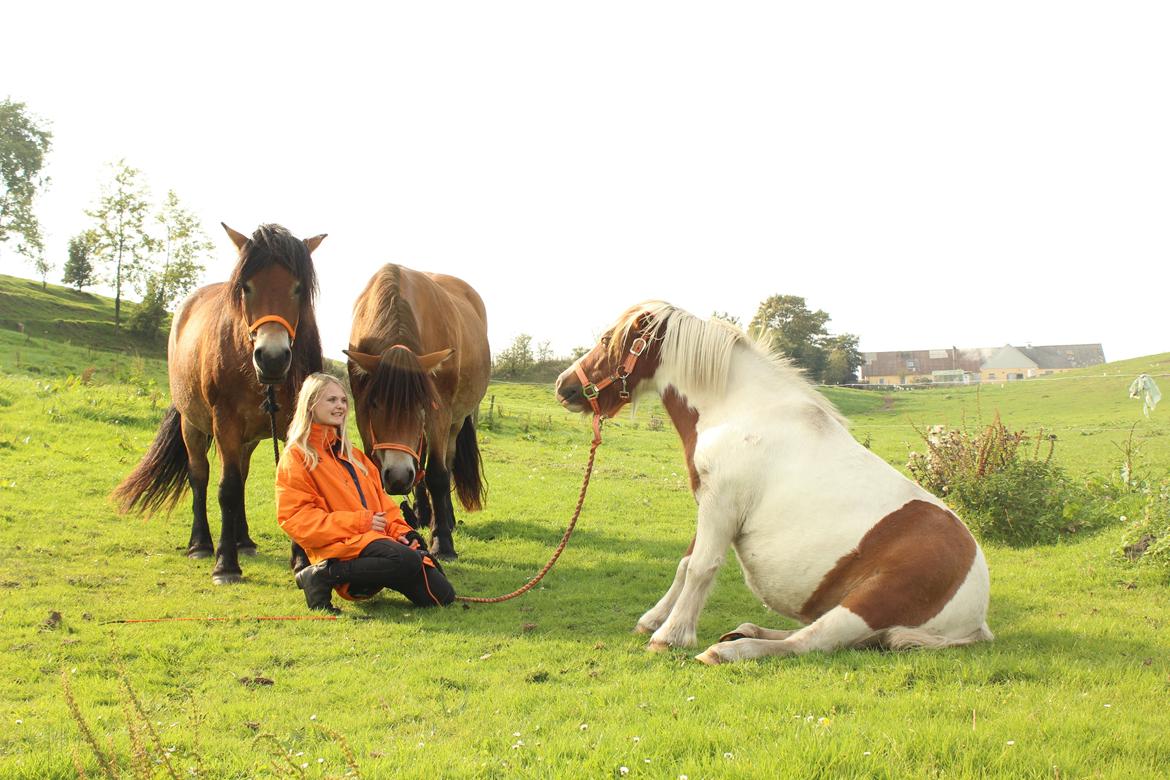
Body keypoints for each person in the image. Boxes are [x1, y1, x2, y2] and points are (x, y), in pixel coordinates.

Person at [276, 372, 455, 613]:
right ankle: (320, 576)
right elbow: (298, 520)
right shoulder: (297, 457)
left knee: (442, 594)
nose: (339, 406)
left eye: (343, 400)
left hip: (377, 545)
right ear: (310, 405)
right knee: (406, 560)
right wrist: (361, 522)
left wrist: (404, 533)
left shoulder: (356, 457)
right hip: (341, 550)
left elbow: (384, 506)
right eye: (331, 400)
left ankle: (398, 559)